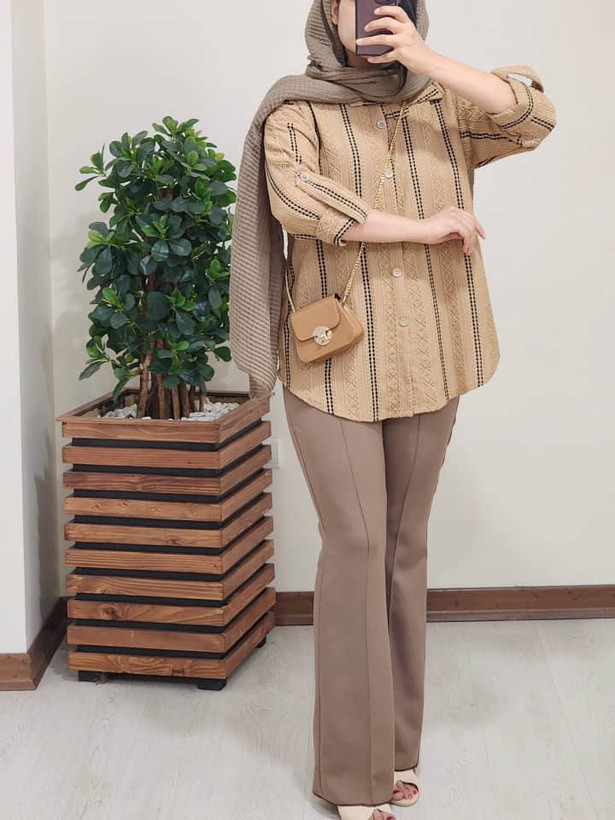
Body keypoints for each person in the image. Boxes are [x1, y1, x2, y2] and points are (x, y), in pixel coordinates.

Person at [228, 2, 557, 819]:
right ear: (328, 14)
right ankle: (351, 773)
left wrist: (427, 61)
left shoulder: (442, 101)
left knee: (404, 547)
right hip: (331, 364)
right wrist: (422, 227)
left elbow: (531, 116)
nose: (374, 10)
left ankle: (394, 748)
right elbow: (300, 203)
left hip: (433, 354)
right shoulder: (294, 107)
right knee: (357, 544)